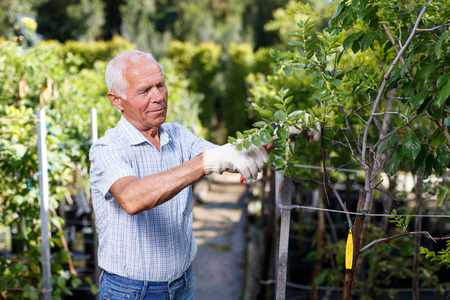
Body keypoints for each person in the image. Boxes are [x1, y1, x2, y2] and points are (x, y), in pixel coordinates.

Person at [89, 50, 271, 299]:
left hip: (182, 284)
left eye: (161, 85)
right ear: (117, 100)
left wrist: (281, 130)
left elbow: (232, 156)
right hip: (131, 292)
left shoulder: (178, 135)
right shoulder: (108, 148)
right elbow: (131, 198)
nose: (159, 97)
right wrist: (204, 163)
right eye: (144, 91)